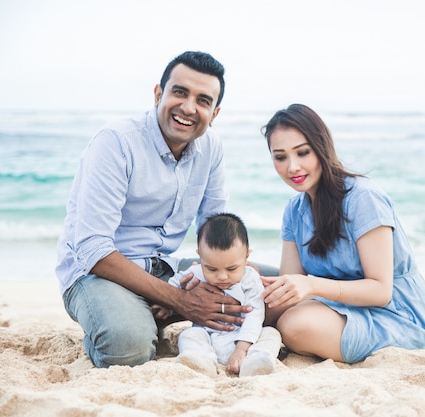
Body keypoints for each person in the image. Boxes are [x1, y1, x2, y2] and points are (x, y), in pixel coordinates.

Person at [55, 51, 277, 368]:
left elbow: (214, 228)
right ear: (159, 93)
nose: (188, 107)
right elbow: (93, 250)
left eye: (203, 100)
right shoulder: (116, 142)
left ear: (214, 113)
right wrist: (179, 300)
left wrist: (216, 280)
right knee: (128, 348)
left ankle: (151, 313)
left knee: (272, 288)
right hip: (96, 274)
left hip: (167, 268)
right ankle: (129, 319)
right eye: (179, 92)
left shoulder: (211, 147)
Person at [260, 104, 425, 364]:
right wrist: (242, 278)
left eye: (303, 153)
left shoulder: (363, 198)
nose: (292, 167)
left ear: (321, 147)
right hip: (334, 304)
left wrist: (312, 285)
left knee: (294, 325)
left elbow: (380, 290)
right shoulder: (294, 209)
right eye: (280, 157)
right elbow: (291, 281)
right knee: (251, 299)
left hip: (392, 313)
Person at [153, 213, 281, 377]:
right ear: (199, 255)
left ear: (246, 257)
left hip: (242, 339)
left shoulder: (250, 279)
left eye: (231, 269)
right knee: (188, 334)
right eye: (211, 269)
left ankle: (255, 362)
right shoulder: (196, 272)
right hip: (208, 337)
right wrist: (167, 304)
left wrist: (241, 349)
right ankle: (201, 362)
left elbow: (254, 315)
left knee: (270, 333)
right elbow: (175, 284)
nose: (221, 277)